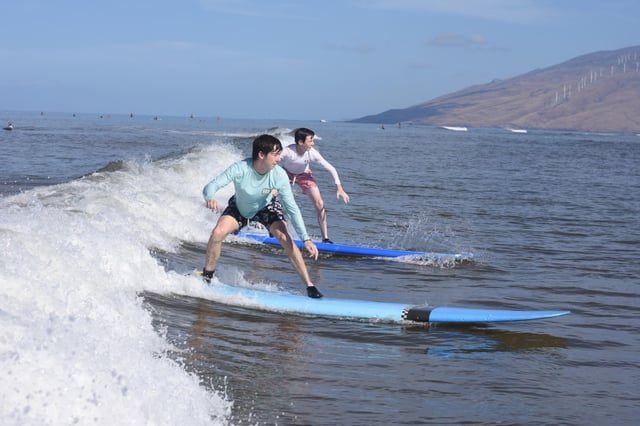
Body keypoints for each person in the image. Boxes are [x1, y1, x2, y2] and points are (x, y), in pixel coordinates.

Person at [201, 134, 323, 298]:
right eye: (275, 154)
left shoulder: (279, 175)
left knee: (284, 237)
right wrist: (210, 197)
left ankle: (309, 285)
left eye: (280, 154)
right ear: (261, 155)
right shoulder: (240, 168)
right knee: (217, 233)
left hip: (267, 207)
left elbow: (292, 208)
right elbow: (211, 186)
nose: (279, 159)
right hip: (240, 207)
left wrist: (306, 239)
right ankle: (207, 275)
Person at [279, 128, 350, 243]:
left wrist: (339, 187)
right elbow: (273, 162)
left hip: (304, 176)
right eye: (310, 140)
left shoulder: (312, 153)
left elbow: (331, 168)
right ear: (301, 142)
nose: (313, 143)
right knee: (271, 195)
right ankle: (267, 224)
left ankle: (325, 238)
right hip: (286, 174)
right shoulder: (288, 151)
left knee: (320, 203)